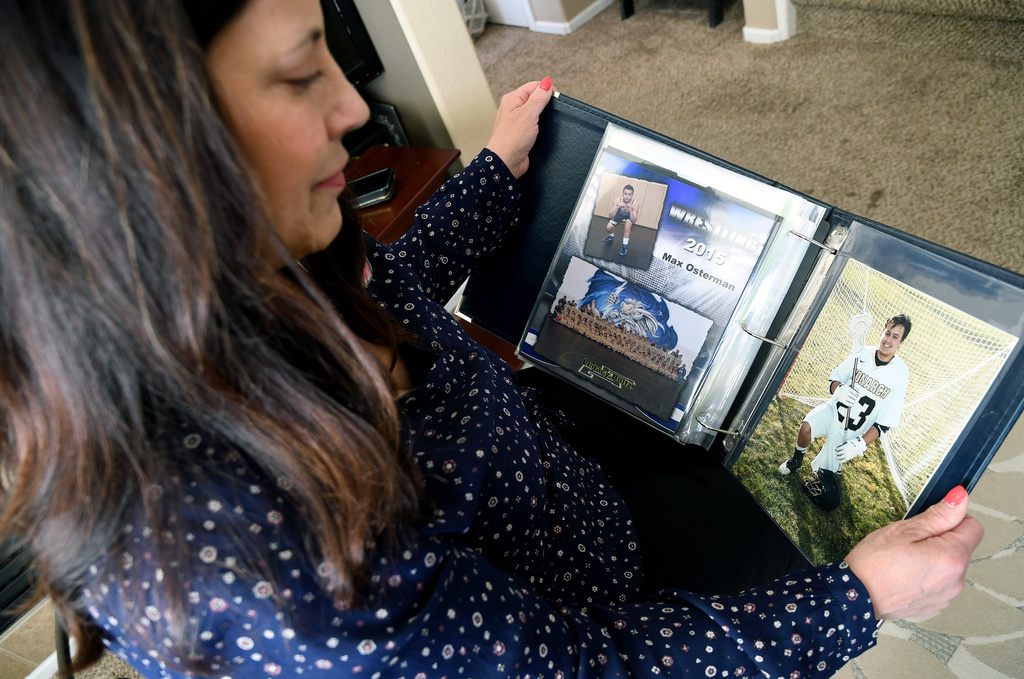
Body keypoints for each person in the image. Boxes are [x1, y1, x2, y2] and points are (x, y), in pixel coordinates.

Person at [0, 2, 981, 678]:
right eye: (302, 73)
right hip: (599, 620)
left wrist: (491, 176)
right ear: (137, 163)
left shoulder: (259, 252)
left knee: (722, 450)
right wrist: (857, 598)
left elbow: (399, 287)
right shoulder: (255, 563)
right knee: (808, 550)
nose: (351, 108)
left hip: (569, 498)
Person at [780, 314, 912, 482]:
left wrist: (860, 444)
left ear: (901, 342)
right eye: (887, 333)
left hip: (851, 429)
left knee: (821, 477)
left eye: (895, 337)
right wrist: (839, 389)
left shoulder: (900, 373)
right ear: (882, 332)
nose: (888, 340)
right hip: (833, 411)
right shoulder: (863, 352)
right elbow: (835, 378)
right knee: (806, 427)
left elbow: (886, 422)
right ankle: (796, 459)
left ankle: (834, 466)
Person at [603, 183, 639, 255]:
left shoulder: (635, 204)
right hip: (619, 214)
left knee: (627, 228)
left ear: (632, 195)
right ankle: (611, 237)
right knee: (608, 228)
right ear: (622, 193)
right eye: (625, 194)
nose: (627, 197)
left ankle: (624, 247)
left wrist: (631, 212)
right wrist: (617, 208)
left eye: (629, 194)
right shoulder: (617, 200)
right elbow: (610, 216)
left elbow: (634, 221)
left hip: (629, 216)